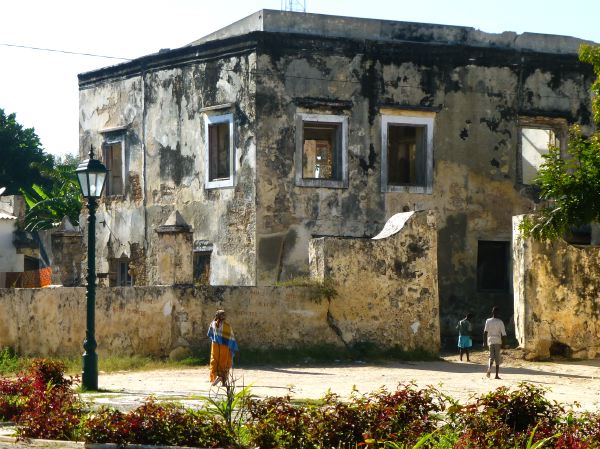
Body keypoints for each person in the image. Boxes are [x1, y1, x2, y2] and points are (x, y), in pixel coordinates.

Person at [207, 309, 238, 386]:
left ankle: (214, 378)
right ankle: (223, 379)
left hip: (215, 346)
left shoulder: (212, 324)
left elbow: (209, 334)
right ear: (224, 317)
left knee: (214, 361)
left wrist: (216, 339)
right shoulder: (227, 326)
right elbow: (231, 338)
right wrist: (232, 347)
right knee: (225, 362)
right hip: (225, 347)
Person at [483, 306, 507, 379]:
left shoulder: (488, 321)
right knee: (497, 358)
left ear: (492, 312)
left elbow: (485, 332)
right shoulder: (500, 322)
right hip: (497, 341)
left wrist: (484, 342)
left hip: (490, 340)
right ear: (498, 313)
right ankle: (496, 375)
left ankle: (489, 369)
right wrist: (504, 344)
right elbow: (504, 334)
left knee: (491, 356)